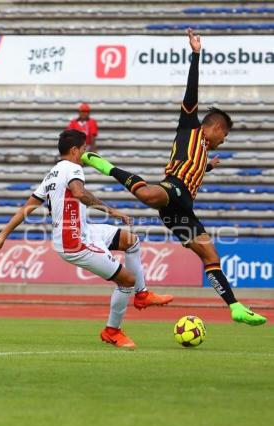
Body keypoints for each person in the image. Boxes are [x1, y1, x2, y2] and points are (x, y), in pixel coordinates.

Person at [81, 29, 267, 326]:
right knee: (148, 194)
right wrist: (195, 55)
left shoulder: (204, 152)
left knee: (210, 257)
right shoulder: (190, 127)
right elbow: (191, 92)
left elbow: (194, 165)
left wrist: (208, 167)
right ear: (215, 128)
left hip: (182, 209)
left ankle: (235, 307)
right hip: (173, 189)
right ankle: (104, 165)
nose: (224, 140)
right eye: (225, 134)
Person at [0, 130, 174, 349]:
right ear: (74, 150)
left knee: (131, 240)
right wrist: (110, 210)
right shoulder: (73, 168)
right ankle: (112, 331)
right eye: (84, 150)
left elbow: (28, 207)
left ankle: (142, 295)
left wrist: (3, 234)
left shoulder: (52, 173)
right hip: (74, 242)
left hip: (84, 231)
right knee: (126, 281)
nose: (85, 155)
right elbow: (79, 193)